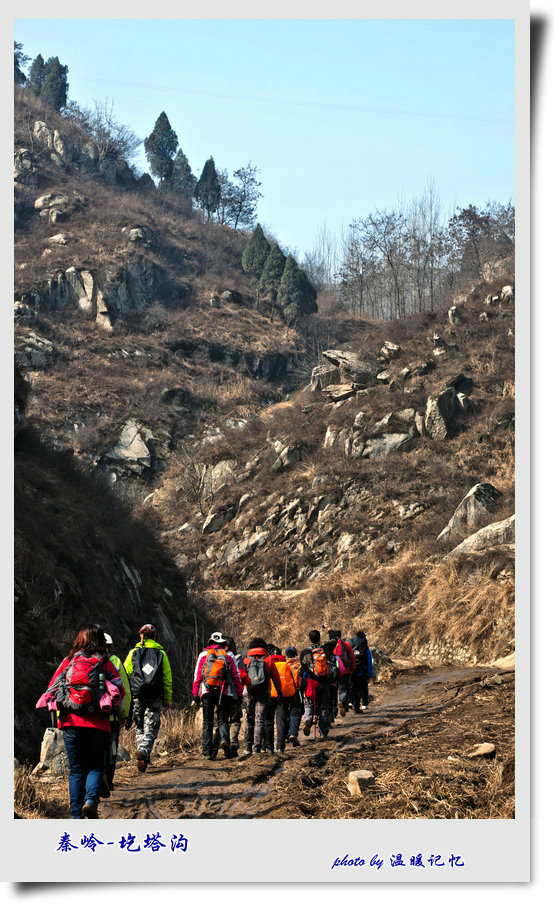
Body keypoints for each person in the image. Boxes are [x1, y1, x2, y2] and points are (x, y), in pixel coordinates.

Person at [40, 624, 124, 819]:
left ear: (79, 640)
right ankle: (91, 801)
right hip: (98, 723)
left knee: (76, 770)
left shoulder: (69, 661)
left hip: (70, 722)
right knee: (95, 766)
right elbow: (120, 691)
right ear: (101, 641)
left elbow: (52, 687)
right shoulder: (105, 662)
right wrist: (117, 714)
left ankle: (76, 816)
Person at [124, 624, 172, 772]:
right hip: (155, 694)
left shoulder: (133, 652)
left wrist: (127, 696)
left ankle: (142, 753)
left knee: (139, 724)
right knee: (151, 725)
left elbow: (126, 674)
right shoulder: (161, 654)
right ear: (155, 636)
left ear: (141, 636)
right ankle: (144, 752)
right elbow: (167, 678)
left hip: (137, 693)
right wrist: (167, 698)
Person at [192, 632, 243, 760]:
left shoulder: (203, 654)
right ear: (223, 642)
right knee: (223, 720)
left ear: (211, 642)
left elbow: (197, 675)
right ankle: (224, 740)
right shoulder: (229, 654)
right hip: (224, 692)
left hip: (207, 692)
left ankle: (206, 752)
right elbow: (236, 676)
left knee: (207, 723)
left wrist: (195, 693)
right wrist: (240, 693)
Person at [102, 632, 132, 796]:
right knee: (112, 749)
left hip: (92, 718)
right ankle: (109, 779)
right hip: (112, 717)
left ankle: (96, 781)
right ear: (110, 646)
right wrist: (124, 714)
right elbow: (124, 691)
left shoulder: (87, 660)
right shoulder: (115, 661)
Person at [243, 637, 282, 756]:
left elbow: (241, 676)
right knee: (259, 720)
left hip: (249, 692)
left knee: (249, 719)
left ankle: (247, 748)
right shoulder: (268, 660)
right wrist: (279, 691)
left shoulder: (246, 660)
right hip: (264, 692)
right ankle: (256, 748)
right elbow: (276, 678)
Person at [211, 635, 248, 759]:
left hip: (218, 694)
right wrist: (240, 692)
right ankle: (232, 745)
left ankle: (213, 749)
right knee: (235, 721)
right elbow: (241, 677)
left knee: (218, 723)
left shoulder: (213, 656)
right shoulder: (237, 658)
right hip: (234, 695)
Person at [299, 630, 332, 738]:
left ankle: (308, 718)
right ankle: (323, 732)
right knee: (324, 707)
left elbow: (303, 668)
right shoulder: (324, 649)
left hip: (311, 683)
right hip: (324, 682)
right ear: (319, 638)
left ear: (309, 638)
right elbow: (334, 642)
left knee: (309, 703)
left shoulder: (305, 652)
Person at [268, 646, 297, 756]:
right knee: (281, 721)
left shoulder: (269, 664)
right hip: (283, 696)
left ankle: (269, 747)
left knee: (269, 721)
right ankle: (280, 747)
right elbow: (292, 681)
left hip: (270, 695)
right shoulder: (286, 665)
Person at [328, 629, 355, 717]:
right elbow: (352, 657)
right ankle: (342, 702)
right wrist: (351, 668)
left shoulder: (329, 645)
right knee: (344, 689)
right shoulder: (345, 644)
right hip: (345, 671)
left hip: (333, 672)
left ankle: (333, 712)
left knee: (333, 692)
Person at [349, 630, 374, 713]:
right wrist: (369, 675)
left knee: (352, 688)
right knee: (359, 690)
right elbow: (369, 662)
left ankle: (350, 703)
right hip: (361, 672)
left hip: (350, 671)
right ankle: (357, 708)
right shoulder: (364, 646)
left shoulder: (350, 644)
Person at [284, 646, 304, 746]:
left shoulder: (282, 664)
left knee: (285, 713)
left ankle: (285, 735)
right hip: (296, 692)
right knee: (295, 713)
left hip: (284, 692)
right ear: (295, 654)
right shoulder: (299, 664)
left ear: (286, 654)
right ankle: (293, 734)